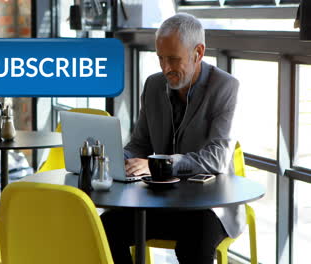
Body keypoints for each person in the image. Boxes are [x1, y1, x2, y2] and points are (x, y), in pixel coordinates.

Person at [100, 13, 244, 264]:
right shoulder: (154, 85)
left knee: (193, 243)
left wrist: (160, 162)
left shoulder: (225, 87)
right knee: (105, 227)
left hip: (209, 206)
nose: (166, 68)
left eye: (174, 59)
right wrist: (116, 158)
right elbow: (140, 144)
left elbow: (217, 158)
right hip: (159, 201)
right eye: (160, 58)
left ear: (198, 53)